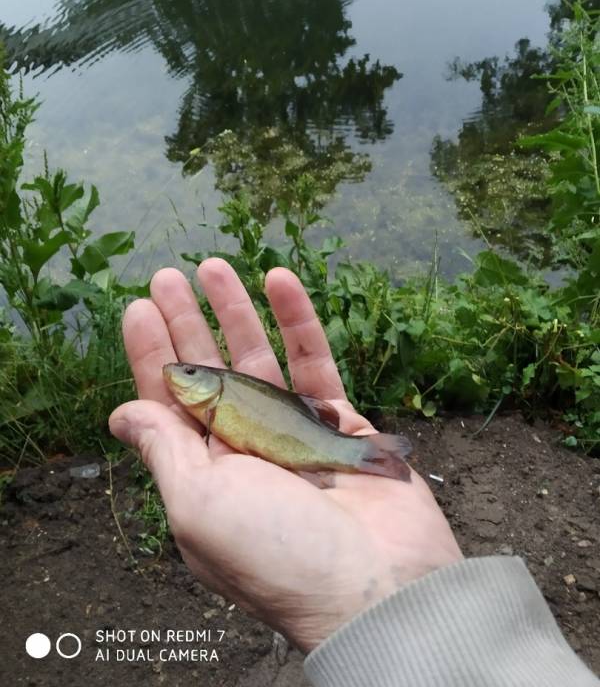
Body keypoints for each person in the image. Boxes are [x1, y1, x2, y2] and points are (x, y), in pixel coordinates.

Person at [109, 258, 599, 686]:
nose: (180, 375)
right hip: (299, 449)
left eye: (192, 373)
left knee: (349, 449)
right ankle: (357, 456)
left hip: (309, 445)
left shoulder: (217, 401)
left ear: (209, 384)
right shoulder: (212, 404)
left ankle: (360, 455)